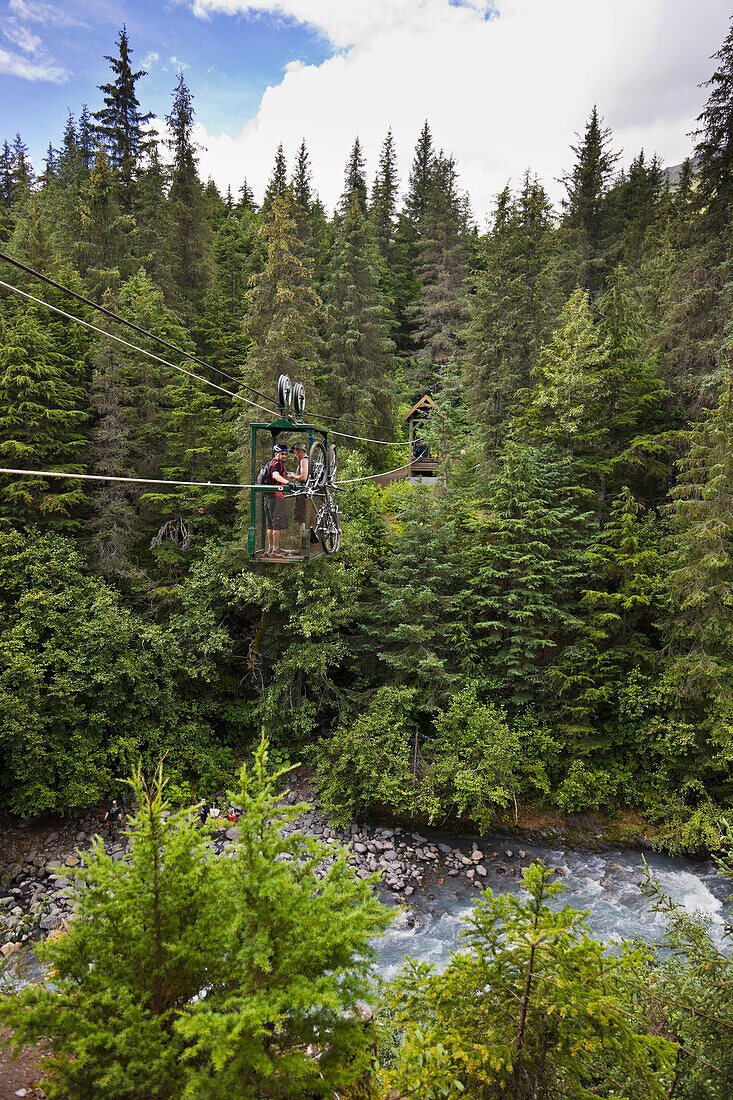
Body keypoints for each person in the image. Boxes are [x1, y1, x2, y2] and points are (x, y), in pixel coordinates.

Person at [263, 443, 290, 558]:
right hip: (276, 497)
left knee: (270, 525)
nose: (284, 456)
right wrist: (289, 483)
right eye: (282, 454)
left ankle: (270, 548)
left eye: (285, 454)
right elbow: (275, 475)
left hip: (267, 497)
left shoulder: (269, 463)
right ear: (276, 454)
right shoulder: (277, 464)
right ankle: (276, 549)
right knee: (276, 524)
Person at [287, 440, 311, 554]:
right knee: (302, 520)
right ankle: (304, 546)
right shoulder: (306, 460)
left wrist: (293, 476)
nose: (295, 455)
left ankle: (304, 547)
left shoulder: (303, 461)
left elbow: (303, 477)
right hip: (303, 493)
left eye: (296, 453)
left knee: (302, 521)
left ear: (301, 452)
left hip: (302, 493)